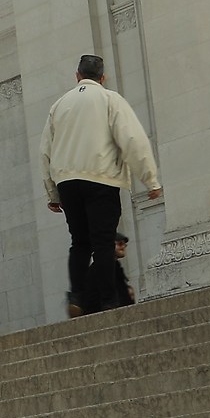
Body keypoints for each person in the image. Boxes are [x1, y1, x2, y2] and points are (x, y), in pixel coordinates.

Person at [42, 54, 162, 316]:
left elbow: (45, 151)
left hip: (67, 182)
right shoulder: (110, 100)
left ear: (77, 76)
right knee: (103, 242)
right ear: (103, 77)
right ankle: (109, 301)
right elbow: (132, 140)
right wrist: (150, 179)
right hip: (100, 177)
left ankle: (76, 296)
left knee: (79, 242)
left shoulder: (59, 105)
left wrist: (52, 192)